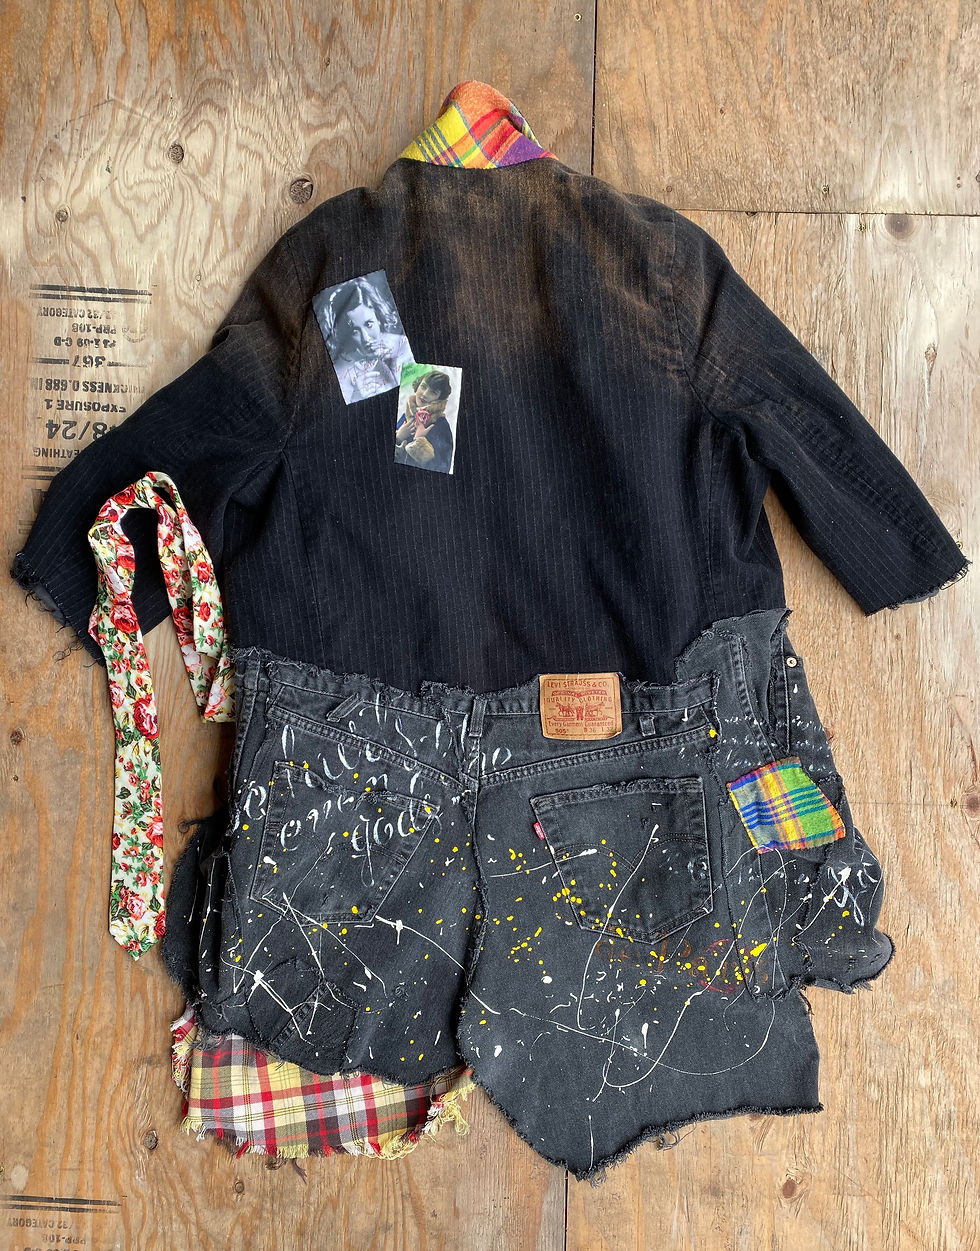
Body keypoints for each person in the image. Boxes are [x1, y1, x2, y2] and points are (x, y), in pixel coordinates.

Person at [315, 275, 413, 402]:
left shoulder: (403, 346)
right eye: (355, 331)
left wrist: (395, 370)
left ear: (379, 318)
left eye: (369, 324)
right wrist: (358, 396)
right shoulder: (339, 369)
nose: (366, 338)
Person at [394, 369, 455, 472]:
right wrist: (398, 437)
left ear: (440, 398)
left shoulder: (441, 425)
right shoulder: (406, 416)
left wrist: (419, 441)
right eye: (423, 386)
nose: (425, 394)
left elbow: (443, 468)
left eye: (433, 392)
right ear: (417, 386)